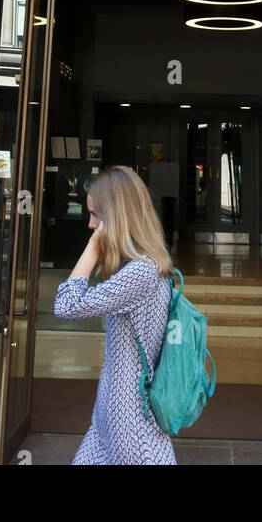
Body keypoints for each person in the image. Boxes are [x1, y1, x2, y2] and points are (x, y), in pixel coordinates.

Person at [53, 164, 177, 465]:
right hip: (113, 411)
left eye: (96, 215)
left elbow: (66, 306)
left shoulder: (141, 272)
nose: (91, 225)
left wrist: (93, 249)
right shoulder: (142, 267)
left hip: (128, 419)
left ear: (116, 217)